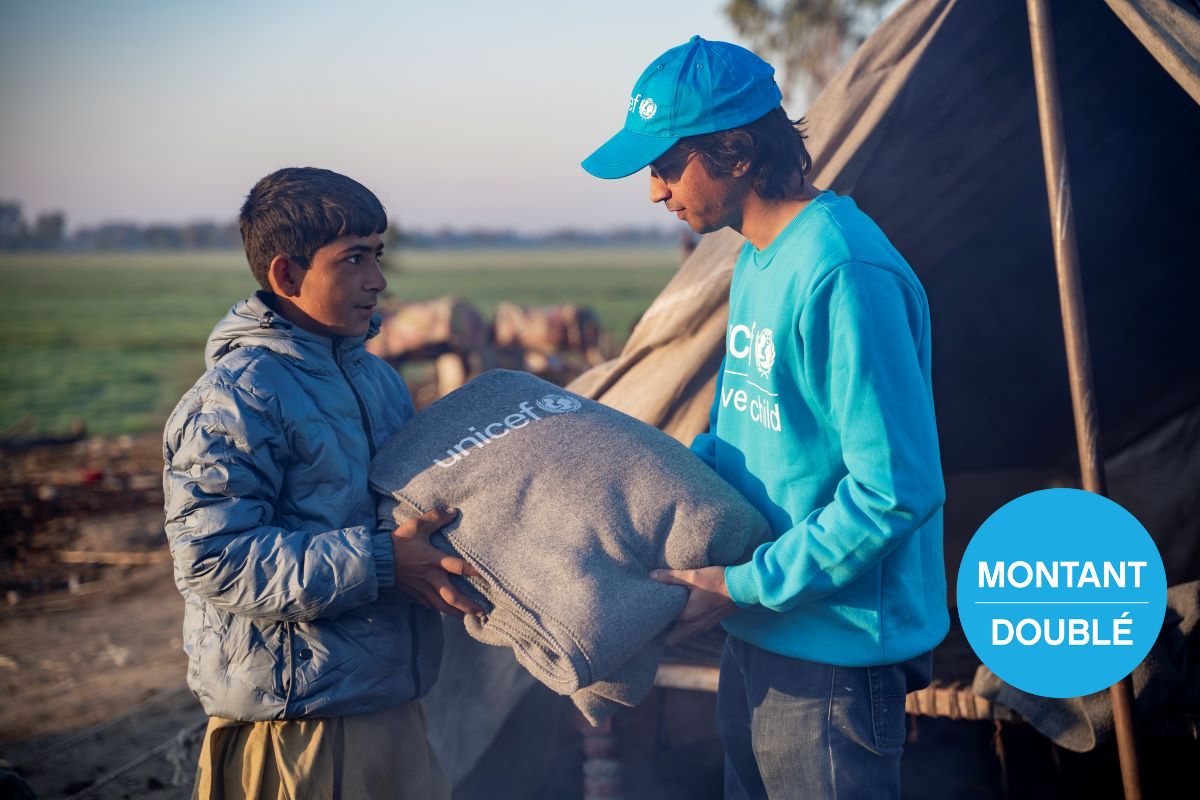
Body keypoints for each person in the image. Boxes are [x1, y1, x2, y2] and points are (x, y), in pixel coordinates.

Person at [582, 37, 948, 799]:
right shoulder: (754, 255)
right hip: (757, 634)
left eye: (665, 166)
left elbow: (896, 491)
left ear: (739, 151)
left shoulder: (843, 271)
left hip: (832, 657)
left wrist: (742, 584)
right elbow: (736, 440)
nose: (654, 192)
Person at [162, 167, 482, 799]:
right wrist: (386, 563)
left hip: (393, 702)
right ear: (286, 275)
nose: (378, 280)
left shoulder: (379, 380)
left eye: (379, 254)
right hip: (297, 729)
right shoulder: (236, 399)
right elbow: (210, 557)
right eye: (354, 259)